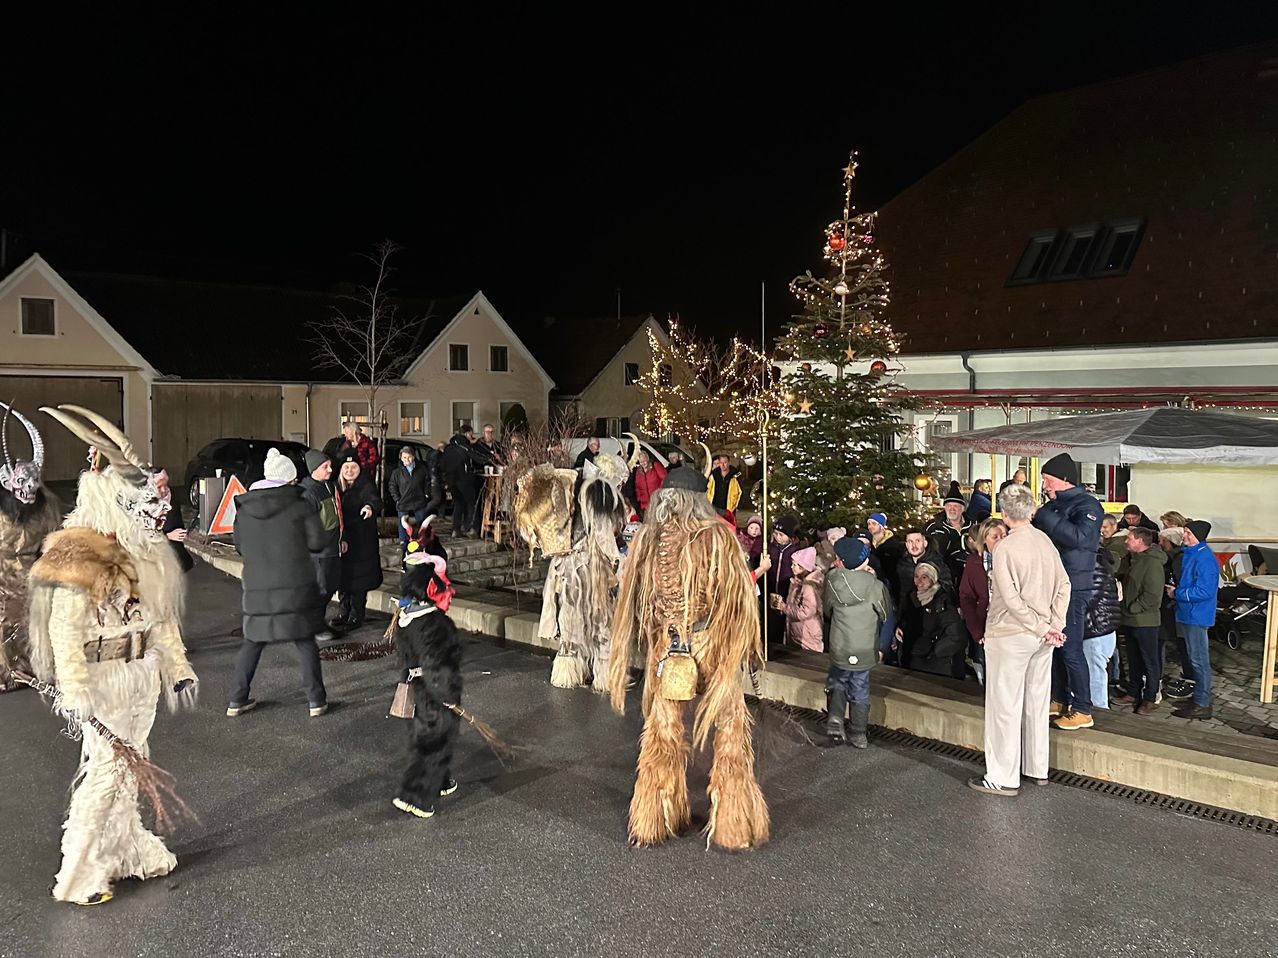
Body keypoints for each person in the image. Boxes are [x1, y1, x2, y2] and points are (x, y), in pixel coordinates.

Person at [27, 404, 198, 905]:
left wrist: (176, 665)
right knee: (106, 771)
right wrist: (74, 687)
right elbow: (64, 627)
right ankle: (78, 873)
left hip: (141, 675)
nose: (155, 511)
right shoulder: (78, 553)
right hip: (104, 679)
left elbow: (159, 616)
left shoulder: (141, 550)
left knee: (132, 764)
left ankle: (127, 851)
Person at [607, 469, 768, 851]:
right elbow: (737, 601)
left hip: (670, 647)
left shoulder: (647, 540)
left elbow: (637, 601)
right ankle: (733, 825)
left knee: (662, 730)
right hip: (712, 644)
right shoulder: (718, 539)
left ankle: (653, 818)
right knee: (730, 728)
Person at [968, 483, 1069, 796]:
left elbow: (1010, 599)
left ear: (1004, 512)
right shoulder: (1045, 541)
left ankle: (1002, 776)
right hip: (1043, 635)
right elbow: (1064, 586)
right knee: (1036, 702)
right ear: (1031, 510)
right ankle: (1036, 767)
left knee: (1004, 706)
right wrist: (1054, 625)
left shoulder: (1005, 548)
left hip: (1011, 633)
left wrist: (1041, 627)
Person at [228, 448, 330, 718]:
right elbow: (318, 541)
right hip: (295, 586)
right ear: (288, 479)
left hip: (257, 587)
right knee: (305, 641)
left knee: (253, 642)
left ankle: (237, 700)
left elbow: (240, 546)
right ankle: (316, 700)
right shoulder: (299, 505)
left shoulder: (245, 510)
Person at [1031, 453, 1103, 731]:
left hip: (1073, 585)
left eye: (1047, 480)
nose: (1045, 486)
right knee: (1055, 644)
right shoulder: (1054, 506)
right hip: (1051, 584)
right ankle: (1060, 699)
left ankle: (1083, 708)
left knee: (1071, 648)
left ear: (1063, 480)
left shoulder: (1088, 505)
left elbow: (1078, 537)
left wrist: (1043, 515)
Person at [390, 556, 462, 819]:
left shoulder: (406, 619)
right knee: (436, 743)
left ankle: (441, 780)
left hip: (416, 689)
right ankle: (414, 797)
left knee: (426, 738)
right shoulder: (435, 625)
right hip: (435, 693)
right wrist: (447, 696)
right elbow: (437, 666)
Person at [0, 400, 62, 692]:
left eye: (35, 479)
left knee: (33, 621)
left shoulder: (46, 507)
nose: (31, 486)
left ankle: (32, 668)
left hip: (31, 573)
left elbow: (53, 539)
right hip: (2, 572)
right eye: (23, 480)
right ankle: (6, 674)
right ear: (8, 481)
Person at [823, 538, 889, 748]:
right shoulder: (875, 585)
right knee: (860, 686)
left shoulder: (832, 580)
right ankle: (858, 733)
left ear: (841, 561)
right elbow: (885, 613)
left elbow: (827, 610)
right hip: (864, 647)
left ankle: (835, 721)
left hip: (840, 644)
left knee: (838, 681)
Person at [1113, 527, 1167, 714]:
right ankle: (1133, 692)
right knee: (1134, 660)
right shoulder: (1133, 559)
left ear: (1140, 541)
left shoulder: (1152, 563)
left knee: (1149, 661)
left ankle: (1150, 697)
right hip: (1130, 619)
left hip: (1145, 621)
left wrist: (1134, 607)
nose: (1125, 541)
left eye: (1129, 538)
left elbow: (1153, 594)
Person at [1170, 519, 1219, 720]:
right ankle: (1198, 697)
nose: (1184, 536)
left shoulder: (1205, 559)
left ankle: (1202, 703)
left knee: (1199, 660)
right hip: (1187, 612)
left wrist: (1177, 593)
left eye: (1188, 533)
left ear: (1198, 536)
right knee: (1193, 658)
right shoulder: (1192, 554)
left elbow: (1205, 591)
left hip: (1196, 615)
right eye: (1185, 532)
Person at [334, 454, 383, 629]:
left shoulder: (366, 484)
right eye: (346, 468)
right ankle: (343, 611)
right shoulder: (336, 487)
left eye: (353, 467)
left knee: (359, 581)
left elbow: (374, 500)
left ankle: (356, 615)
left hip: (361, 541)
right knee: (343, 578)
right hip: (343, 539)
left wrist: (370, 507)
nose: (350, 471)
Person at [299, 449, 343, 637]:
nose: (330, 470)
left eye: (330, 465)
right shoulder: (308, 493)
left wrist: (341, 539)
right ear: (314, 469)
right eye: (325, 467)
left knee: (330, 585)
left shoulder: (327, 486)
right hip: (319, 552)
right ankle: (313, 627)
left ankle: (318, 623)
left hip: (333, 547)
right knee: (321, 589)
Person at [958, 517, 1008, 681]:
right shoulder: (974, 562)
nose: (1000, 541)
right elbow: (967, 597)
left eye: (1004, 536)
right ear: (984, 539)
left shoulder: (1015, 559)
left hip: (1011, 625)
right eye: (995, 537)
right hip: (986, 626)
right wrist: (976, 630)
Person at [1081, 544, 1121, 710]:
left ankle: (1098, 711)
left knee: (1095, 675)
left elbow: (1089, 596)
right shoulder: (1100, 560)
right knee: (1095, 672)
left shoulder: (1093, 563)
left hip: (1095, 627)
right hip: (1102, 625)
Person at [442, 426, 484, 537]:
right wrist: (490, 460)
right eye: (471, 434)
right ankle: (472, 529)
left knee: (458, 504)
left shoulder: (449, 447)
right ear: (466, 434)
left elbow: (442, 464)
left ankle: (456, 529)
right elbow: (477, 458)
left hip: (451, 481)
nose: (471, 437)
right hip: (464, 480)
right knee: (471, 504)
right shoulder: (464, 446)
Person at [765, 516, 801, 644]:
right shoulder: (771, 548)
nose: (777, 537)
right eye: (775, 534)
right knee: (771, 623)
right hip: (771, 590)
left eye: (781, 535)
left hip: (787, 591)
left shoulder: (795, 550)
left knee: (784, 623)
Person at [152, 467, 194, 573]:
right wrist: (168, 537)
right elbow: (144, 537)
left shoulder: (171, 496)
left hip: (178, 556)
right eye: (159, 487)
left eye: (165, 485)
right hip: (157, 559)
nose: (164, 490)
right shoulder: (145, 506)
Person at [389, 446, 430, 553]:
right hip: (403, 501)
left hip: (419, 500)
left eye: (409, 457)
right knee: (403, 522)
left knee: (422, 522)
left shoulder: (422, 469)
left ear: (414, 457)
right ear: (401, 458)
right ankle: (404, 542)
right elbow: (392, 485)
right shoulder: (397, 472)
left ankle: (422, 540)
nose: (407, 460)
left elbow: (427, 481)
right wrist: (397, 498)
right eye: (404, 457)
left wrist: (426, 494)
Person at [784, 547, 824, 652]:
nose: (791, 567)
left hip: (807, 635)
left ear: (803, 567)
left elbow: (806, 612)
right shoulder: (796, 582)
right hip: (797, 632)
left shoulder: (809, 587)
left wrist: (783, 607)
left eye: (795, 565)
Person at [925, 492, 970, 584]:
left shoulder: (972, 525)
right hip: (941, 573)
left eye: (955, 506)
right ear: (945, 507)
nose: (951, 509)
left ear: (962, 509)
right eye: (949, 505)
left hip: (968, 572)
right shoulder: (933, 526)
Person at [867, 512, 905, 605]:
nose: (870, 526)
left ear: (882, 526)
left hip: (890, 587)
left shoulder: (894, 546)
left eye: (874, 524)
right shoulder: (868, 543)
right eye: (869, 524)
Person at [631, 448, 667, 517]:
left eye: (644, 461)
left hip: (657, 500)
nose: (643, 463)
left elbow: (665, 478)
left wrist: (660, 491)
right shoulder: (638, 471)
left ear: (647, 459)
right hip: (645, 503)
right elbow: (637, 486)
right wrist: (639, 497)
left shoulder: (655, 466)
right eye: (641, 462)